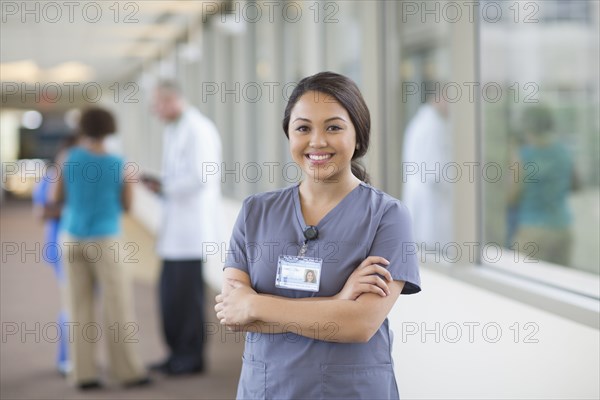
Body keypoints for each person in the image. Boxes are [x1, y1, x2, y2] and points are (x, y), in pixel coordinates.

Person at [215, 71, 421, 399]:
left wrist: (254, 303)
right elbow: (234, 315)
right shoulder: (256, 211)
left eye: (333, 127)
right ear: (289, 135)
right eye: (303, 128)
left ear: (358, 134)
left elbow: (359, 325)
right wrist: (338, 304)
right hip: (268, 389)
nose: (317, 141)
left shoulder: (387, 215)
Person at [52, 107, 150, 390]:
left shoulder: (67, 158)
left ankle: (83, 374)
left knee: (77, 306)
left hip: (71, 238)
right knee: (117, 306)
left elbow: (55, 198)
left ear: (82, 128)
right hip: (106, 241)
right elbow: (128, 206)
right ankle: (127, 372)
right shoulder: (120, 162)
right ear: (109, 129)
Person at [145, 80, 222, 375]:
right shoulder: (175, 129)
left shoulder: (197, 129)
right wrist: (164, 186)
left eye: (158, 104)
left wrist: (165, 186)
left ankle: (190, 358)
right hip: (175, 231)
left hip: (191, 232)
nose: (155, 111)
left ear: (172, 99)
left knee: (187, 300)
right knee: (170, 298)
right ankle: (175, 353)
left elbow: (201, 178)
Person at [32, 135, 78, 377]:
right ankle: (67, 359)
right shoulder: (53, 176)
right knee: (72, 303)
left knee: (84, 303)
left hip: (82, 246)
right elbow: (42, 212)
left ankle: (80, 356)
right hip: (62, 245)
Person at [509, 104, 577, 266]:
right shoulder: (563, 152)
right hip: (562, 228)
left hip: (532, 231)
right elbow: (574, 183)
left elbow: (512, 195)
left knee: (526, 283)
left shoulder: (523, 156)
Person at [401, 82, 453, 250]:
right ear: (439, 98)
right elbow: (435, 173)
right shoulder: (433, 127)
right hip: (430, 203)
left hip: (423, 201)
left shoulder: (422, 122)